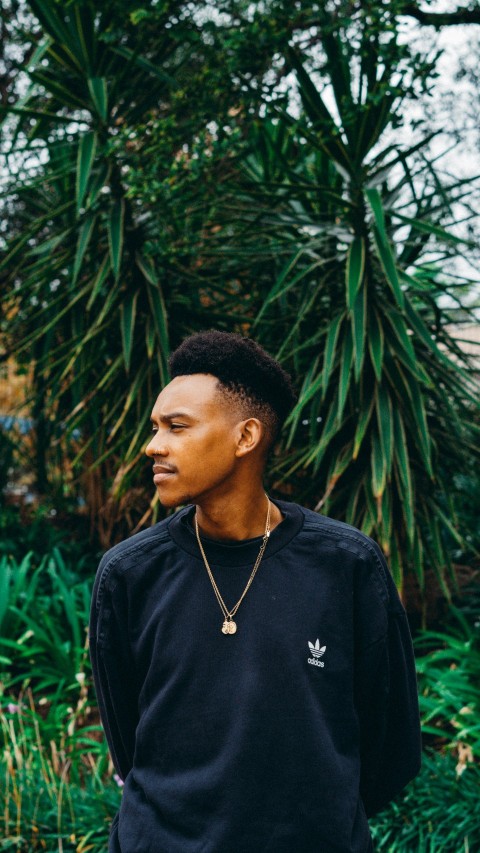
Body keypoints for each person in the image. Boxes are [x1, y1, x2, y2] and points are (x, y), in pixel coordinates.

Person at [90, 330, 421, 853]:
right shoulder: (130, 574)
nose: (152, 445)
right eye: (155, 428)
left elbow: (390, 744)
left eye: (177, 427)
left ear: (245, 438)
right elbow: (128, 743)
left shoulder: (347, 566)